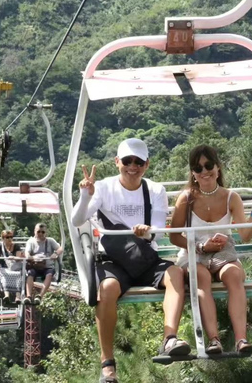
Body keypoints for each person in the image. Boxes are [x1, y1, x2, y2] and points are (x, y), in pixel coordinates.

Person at [72, 138, 189, 383]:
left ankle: (169, 339)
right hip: (114, 260)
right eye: (127, 161)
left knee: (176, 274)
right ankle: (107, 363)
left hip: (145, 257)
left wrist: (146, 231)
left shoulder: (155, 190)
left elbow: (156, 228)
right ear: (117, 162)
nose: (132, 166)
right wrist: (85, 194)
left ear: (147, 164)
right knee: (107, 288)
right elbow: (77, 219)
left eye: (138, 162)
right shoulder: (103, 188)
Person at [169, 144, 252, 356]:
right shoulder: (186, 198)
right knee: (200, 277)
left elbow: (245, 235)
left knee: (233, 275)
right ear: (193, 174)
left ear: (218, 168)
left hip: (223, 253)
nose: (204, 171)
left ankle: (241, 339)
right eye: (198, 168)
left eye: (208, 165)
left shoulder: (231, 198)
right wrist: (201, 246)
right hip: (195, 252)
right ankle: (214, 339)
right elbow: (174, 235)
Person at [24, 223, 63, 305]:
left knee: (49, 275)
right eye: (38, 232)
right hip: (35, 266)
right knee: (30, 274)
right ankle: (28, 296)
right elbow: (27, 253)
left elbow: (60, 248)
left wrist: (55, 254)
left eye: (43, 232)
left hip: (47, 266)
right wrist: (31, 257)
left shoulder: (50, 241)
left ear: (46, 233)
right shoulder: (31, 242)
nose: (40, 234)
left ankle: (40, 296)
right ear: (35, 232)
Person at [0, 229, 23, 304]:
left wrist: (13, 257)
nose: (10, 239)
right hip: (4, 268)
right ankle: (7, 295)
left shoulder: (16, 246)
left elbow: (18, 257)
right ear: (3, 238)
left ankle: (18, 297)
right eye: (7, 237)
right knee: (5, 275)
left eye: (11, 237)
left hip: (15, 267)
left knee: (18, 275)